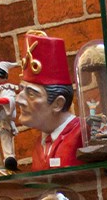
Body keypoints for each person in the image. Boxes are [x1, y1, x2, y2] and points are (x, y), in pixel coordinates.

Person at [19, 32, 81, 170]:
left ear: (58, 104)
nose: (19, 100)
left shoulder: (82, 135)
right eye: (21, 90)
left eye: (31, 93)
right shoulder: (41, 143)